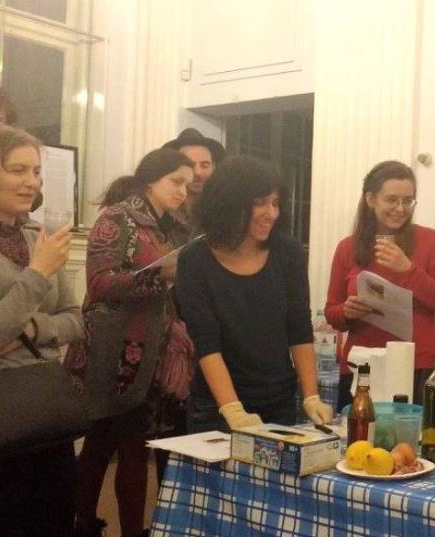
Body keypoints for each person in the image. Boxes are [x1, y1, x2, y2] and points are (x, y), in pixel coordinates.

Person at [0, 124, 84, 536]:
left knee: (53, 518)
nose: (32, 182)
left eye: (37, 171)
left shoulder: (36, 236)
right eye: (17, 170)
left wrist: (29, 327)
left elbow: (76, 320)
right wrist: (38, 272)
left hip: (44, 405)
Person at [64, 148, 194, 537]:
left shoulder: (166, 226)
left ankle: (112, 527)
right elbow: (100, 282)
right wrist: (161, 275)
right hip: (108, 352)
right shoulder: (116, 217)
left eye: (188, 185)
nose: (183, 191)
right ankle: (87, 523)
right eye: (176, 182)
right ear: (151, 178)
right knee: (105, 443)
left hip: (145, 352)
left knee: (128, 445)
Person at [176, 155, 333, 432]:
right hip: (216, 406)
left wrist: (311, 395)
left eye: (275, 203)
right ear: (229, 204)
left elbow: (298, 326)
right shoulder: (194, 259)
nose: (271, 213)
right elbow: (206, 340)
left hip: (278, 400)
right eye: (260, 203)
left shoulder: (288, 252)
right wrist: (232, 410)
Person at [325, 160, 435, 409]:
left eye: (408, 201)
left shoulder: (432, 241)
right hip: (362, 367)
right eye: (391, 200)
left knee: (423, 444)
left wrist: (408, 271)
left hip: (420, 366)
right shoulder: (348, 247)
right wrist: (347, 311)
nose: (400, 208)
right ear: (371, 199)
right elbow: (331, 311)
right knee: (361, 445)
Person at [163, 127, 226, 217]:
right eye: (190, 166)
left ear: (213, 167)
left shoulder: (222, 209)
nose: (198, 172)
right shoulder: (162, 209)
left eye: (204, 165)